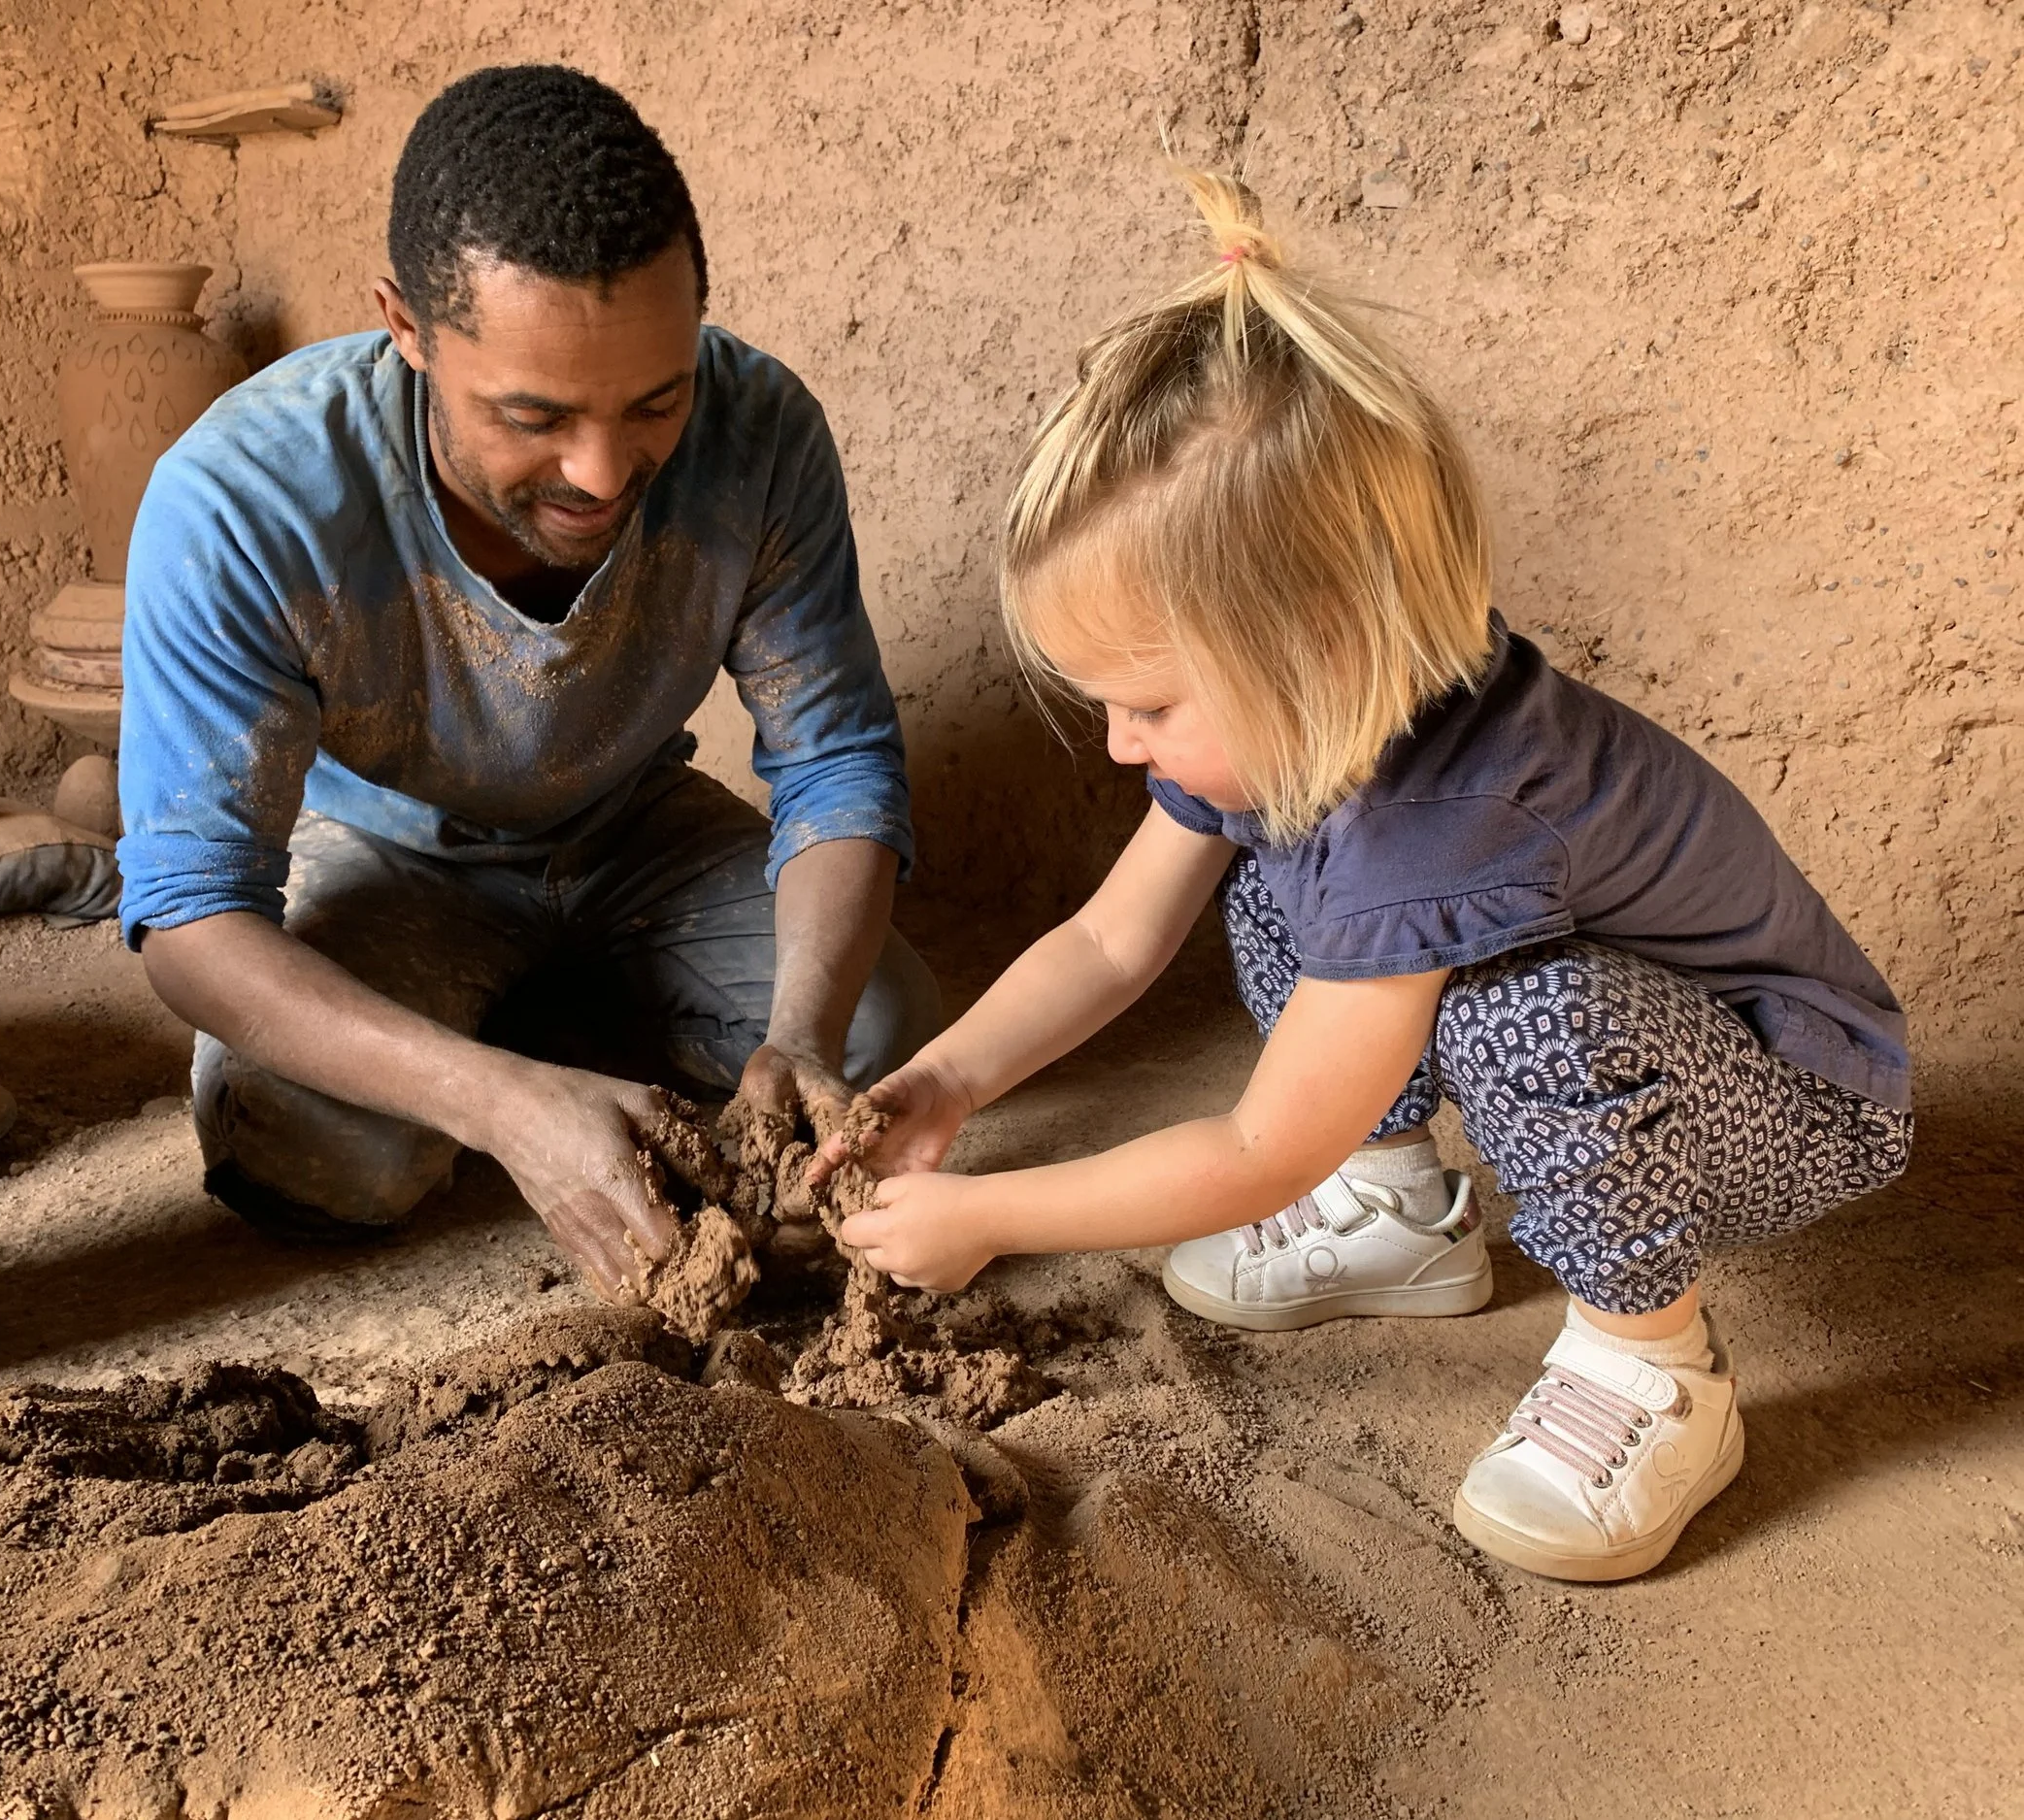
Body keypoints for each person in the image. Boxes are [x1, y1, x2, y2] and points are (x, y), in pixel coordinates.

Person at [822, 171, 1910, 1583]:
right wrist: (949, 1083)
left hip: (1795, 1104)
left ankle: (1656, 1363)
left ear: (1318, 641)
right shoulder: (1317, 723)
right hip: (1656, 1044)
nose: (1116, 741)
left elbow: (1259, 1146)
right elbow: (1110, 942)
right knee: (1280, 887)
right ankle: (1398, 1209)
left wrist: (990, 1214)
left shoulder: (1443, 820)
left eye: (1147, 700)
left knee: (1537, 1009)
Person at [116, 65, 941, 1296]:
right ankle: (513, 1044)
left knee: (876, 1045)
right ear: (404, 329)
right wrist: (496, 1105)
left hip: (635, 832)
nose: (603, 472)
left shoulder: (760, 431)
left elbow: (835, 764)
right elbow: (188, 922)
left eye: (656, 400)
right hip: (394, 857)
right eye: (531, 415)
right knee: (321, 1151)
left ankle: (546, 1019)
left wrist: (800, 1039)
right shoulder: (245, 501)